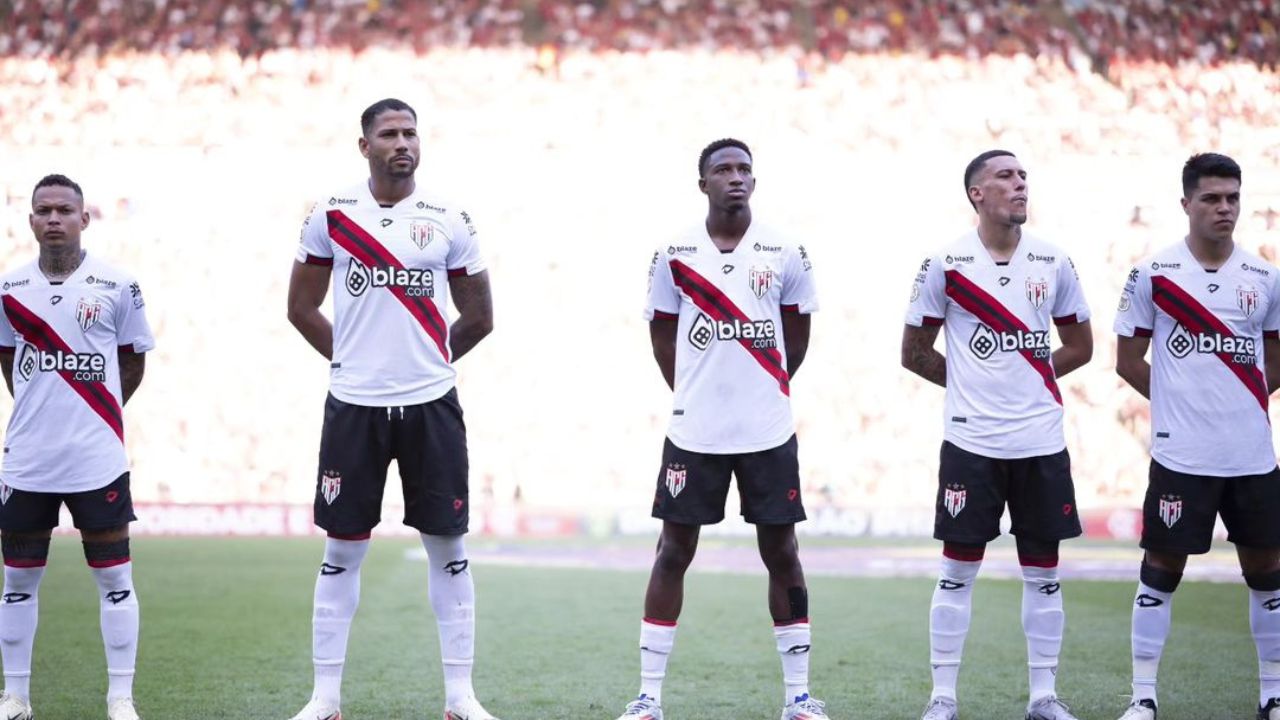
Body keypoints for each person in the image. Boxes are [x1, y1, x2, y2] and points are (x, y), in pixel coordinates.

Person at [285, 98, 497, 720]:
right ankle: (325, 699)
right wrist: (350, 360)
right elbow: (300, 308)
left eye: (410, 133)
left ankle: (461, 698)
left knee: (449, 547)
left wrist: (427, 362)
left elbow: (482, 316)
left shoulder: (448, 216)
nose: (402, 143)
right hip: (354, 406)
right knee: (342, 550)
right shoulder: (330, 214)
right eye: (389, 134)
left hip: (432, 404)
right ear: (365, 146)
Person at [616, 138, 829, 720]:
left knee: (781, 551)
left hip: (767, 429)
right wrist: (694, 391)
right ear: (703, 183)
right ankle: (649, 697)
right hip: (696, 432)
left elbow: (797, 338)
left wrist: (767, 386)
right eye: (723, 170)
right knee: (672, 552)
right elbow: (662, 334)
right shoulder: (674, 251)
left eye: (744, 170)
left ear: (754, 182)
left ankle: (799, 697)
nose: (735, 178)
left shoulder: (786, 248)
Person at [901, 150, 1093, 720]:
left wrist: (1028, 378)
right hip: (972, 444)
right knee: (957, 572)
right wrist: (969, 385)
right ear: (977, 194)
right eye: (1005, 177)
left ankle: (1043, 698)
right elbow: (913, 353)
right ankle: (942, 699)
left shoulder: (1054, 260)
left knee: (1045, 574)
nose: (1019, 185)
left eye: (1023, 177)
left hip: (1040, 441)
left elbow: (1081, 346)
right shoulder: (945, 262)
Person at [1112, 153, 1280, 720]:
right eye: (1211, 198)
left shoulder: (1264, 276)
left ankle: (1273, 693)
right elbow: (1128, 359)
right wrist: (1179, 406)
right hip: (1182, 455)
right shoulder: (1153, 273)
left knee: (1267, 572)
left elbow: (1276, 359)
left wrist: (1240, 404)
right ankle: (1142, 697)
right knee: (1161, 571)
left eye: (1232, 197)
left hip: (1252, 455)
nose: (1224, 208)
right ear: (1186, 204)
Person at [0, 174, 154, 720]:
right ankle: (15, 697)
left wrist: (96, 413)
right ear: (32, 220)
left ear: (85, 219)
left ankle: (120, 699)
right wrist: (42, 412)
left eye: (66, 210)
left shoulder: (118, 285)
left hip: (97, 456)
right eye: (44, 210)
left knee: (115, 579)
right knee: (17, 581)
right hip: (29, 460)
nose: (55, 219)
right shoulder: (10, 289)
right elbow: (8, 360)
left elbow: (132, 361)